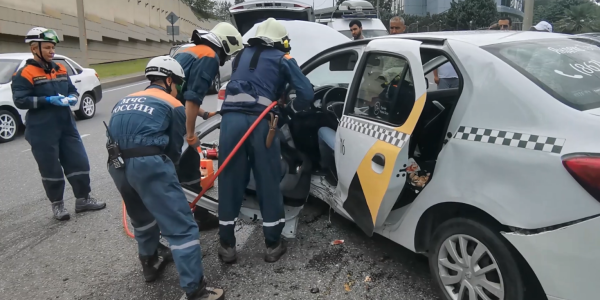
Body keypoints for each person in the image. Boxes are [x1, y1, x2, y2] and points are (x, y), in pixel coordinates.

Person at [106, 56, 224, 300]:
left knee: (142, 219)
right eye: (178, 84)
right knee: (182, 228)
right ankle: (196, 290)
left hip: (116, 164)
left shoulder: (123, 101)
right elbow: (173, 149)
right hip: (149, 165)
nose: (178, 89)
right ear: (170, 80)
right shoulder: (172, 104)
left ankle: (150, 263)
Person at [217, 17, 314, 264]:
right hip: (261, 123)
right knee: (267, 179)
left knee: (229, 180)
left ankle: (226, 245)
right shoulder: (283, 58)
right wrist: (290, 109)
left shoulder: (241, 55)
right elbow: (307, 93)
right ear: (281, 42)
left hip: (230, 122)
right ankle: (272, 244)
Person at [11, 27, 106, 221]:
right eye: (47, 47)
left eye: (52, 47)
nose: (51, 51)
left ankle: (83, 200)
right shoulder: (24, 73)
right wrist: (48, 100)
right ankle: (58, 205)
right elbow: (20, 100)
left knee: (78, 161)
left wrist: (72, 96)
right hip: (41, 128)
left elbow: (72, 89)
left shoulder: (59, 68)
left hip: (66, 123)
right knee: (50, 168)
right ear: (34, 48)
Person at [173, 23, 243, 150]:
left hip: (159, 108)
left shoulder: (189, 50)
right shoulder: (210, 56)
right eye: (230, 55)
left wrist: (204, 114)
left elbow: (180, 93)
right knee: (188, 161)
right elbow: (192, 97)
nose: (227, 59)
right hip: (170, 115)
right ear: (226, 44)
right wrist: (190, 136)